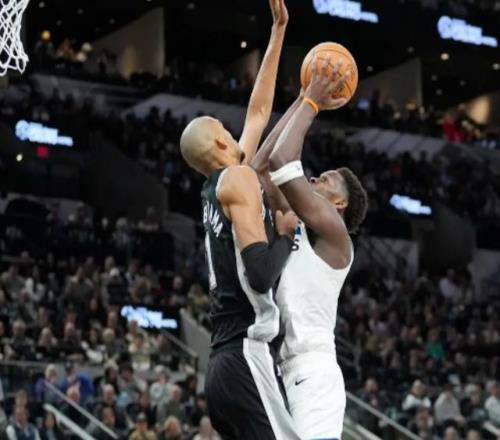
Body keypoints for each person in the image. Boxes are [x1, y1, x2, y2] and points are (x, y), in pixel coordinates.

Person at [179, 1, 300, 439]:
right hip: (246, 355)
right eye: (226, 130)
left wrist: (278, 31)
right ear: (219, 142)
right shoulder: (239, 179)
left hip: (223, 367)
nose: (235, 132)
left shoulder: (220, 186)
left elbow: (257, 112)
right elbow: (261, 273)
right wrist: (285, 235)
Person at [252, 58, 367, 440]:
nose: (316, 177)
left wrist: (313, 102)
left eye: (328, 180)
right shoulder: (296, 224)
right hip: (284, 370)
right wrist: (301, 98)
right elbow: (262, 167)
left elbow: (284, 160)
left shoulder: (337, 236)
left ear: (339, 204)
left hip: (314, 372)